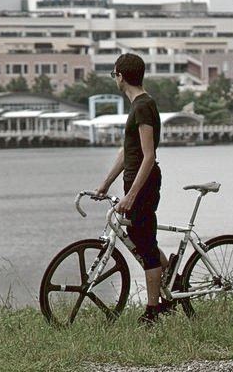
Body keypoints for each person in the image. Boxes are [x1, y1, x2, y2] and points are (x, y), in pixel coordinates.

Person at [94, 52, 171, 324]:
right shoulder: (138, 104)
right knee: (141, 238)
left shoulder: (142, 106)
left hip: (145, 183)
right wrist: (105, 184)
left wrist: (131, 195)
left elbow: (148, 156)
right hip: (136, 181)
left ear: (121, 76)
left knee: (145, 245)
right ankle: (168, 278)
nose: (114, 78)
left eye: (114, 74)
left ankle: (153, 311)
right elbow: (129, 151)